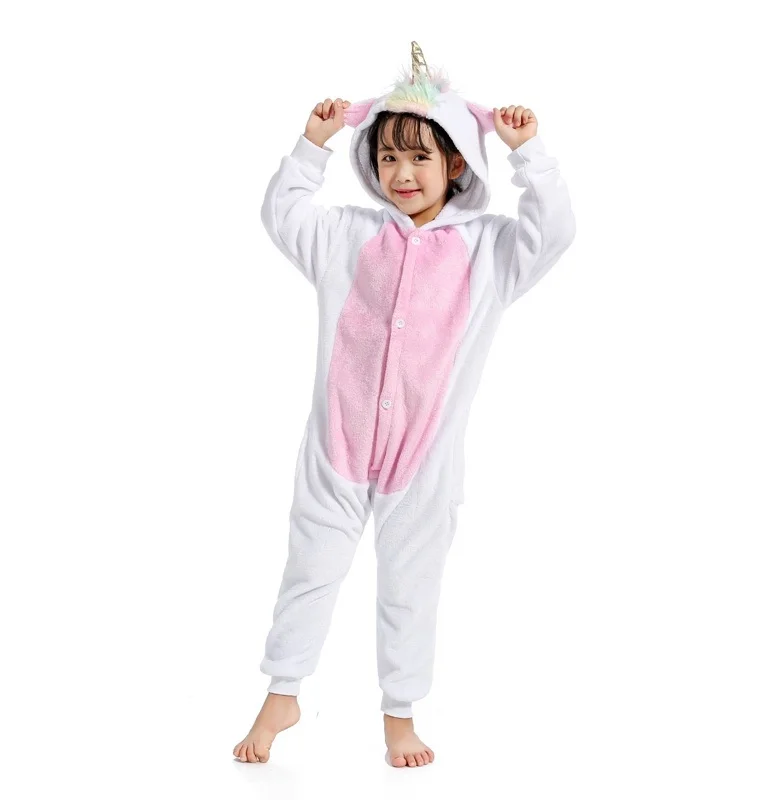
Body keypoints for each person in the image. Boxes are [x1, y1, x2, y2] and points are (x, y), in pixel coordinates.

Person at [233, 43, 576, 768]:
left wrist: (529, 153)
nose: (402, 174)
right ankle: (282, 692)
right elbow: (282, 213)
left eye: (420, 157)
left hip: (424, 457)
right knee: (310, 569)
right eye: (387, 158)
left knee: (409, 587)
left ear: (457, 164)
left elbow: (554, 232)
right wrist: (312, 144)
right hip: (338, 445)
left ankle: (400, 713)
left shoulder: (489, 251)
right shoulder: (347, 235)